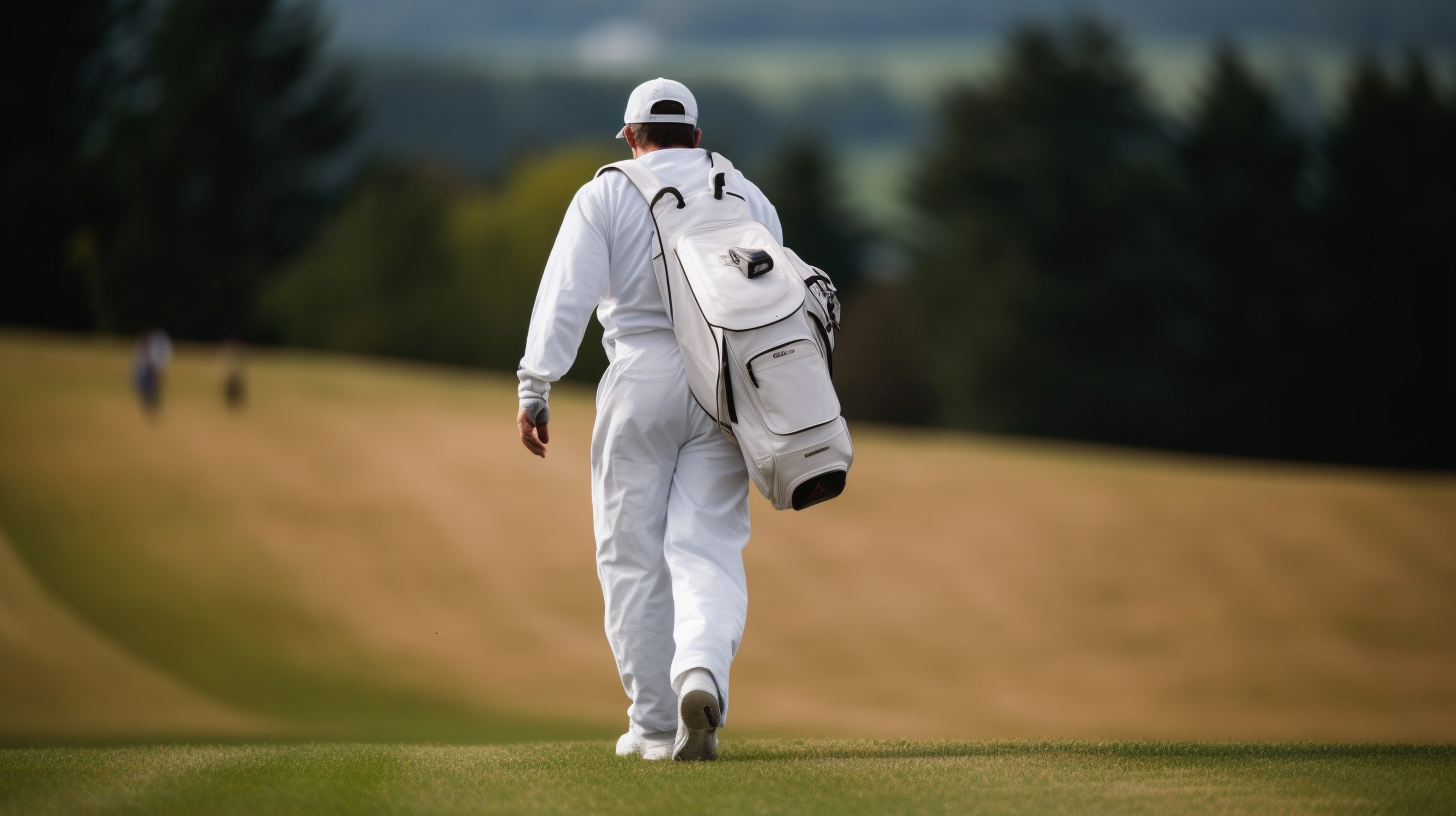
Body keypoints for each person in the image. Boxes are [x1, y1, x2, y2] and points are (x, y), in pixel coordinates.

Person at [516, 78, 783, 762]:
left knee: (631, 554)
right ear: (696, 135)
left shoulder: (606, 192)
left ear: (632, 137)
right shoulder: (746, 194)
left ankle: (656, 726)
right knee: (709, 547)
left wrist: (536, 386)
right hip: (723, 386)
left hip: (640, 377)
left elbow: (565, 295)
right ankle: (701, 673)